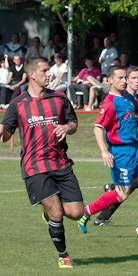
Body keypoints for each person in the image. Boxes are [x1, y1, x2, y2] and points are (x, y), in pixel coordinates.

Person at [0, 56, 84, 268]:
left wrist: (67, 128)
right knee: (57, 213)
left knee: (76, 213)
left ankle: (48, 214)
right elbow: (6, 134)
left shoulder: (59, 98)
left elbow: (73, 123)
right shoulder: (17, 104)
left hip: (61, 164)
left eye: (49, 70)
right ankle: (63, 254)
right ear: (32, 75)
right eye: (45, 70)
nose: (50, 74)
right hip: (34, 166)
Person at [78, 65, 138, 240]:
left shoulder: (128, 98)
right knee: (121, 194)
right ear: (110, 80)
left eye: (126, 78)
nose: (125, 81)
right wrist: (104, 151)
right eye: (121, 78)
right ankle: (86, 212)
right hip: (120, 153)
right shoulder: (109, 103)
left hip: (135, 151)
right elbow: (98, 128)